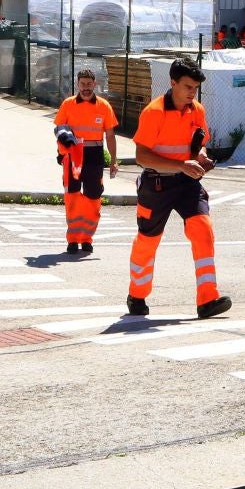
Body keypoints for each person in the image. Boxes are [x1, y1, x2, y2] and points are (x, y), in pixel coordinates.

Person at [127, 59, 231, 319]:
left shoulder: (196, 110)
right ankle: (137, 295)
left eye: (195, 88)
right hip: (156, 184)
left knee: (203, 229)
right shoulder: (154, 112)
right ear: (172, 82)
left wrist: (202, 157)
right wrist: (180, 165)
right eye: (187, 87)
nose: (191, 93)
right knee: (148, 242)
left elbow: (199, 143)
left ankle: (207, 299)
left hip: (187, 183)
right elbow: (142, 156)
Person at [53, 68, 119, 256]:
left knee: (93, 198)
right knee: (72, 196)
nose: (86, 88)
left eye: (89, 84)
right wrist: (61, 152)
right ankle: (73, 239)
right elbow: (59, 131)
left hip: (94, 155)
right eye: (82, 84)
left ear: (95, 84)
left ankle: (87, 238)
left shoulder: (104, 106)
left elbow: (111, 136)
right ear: (77, 84)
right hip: (73, 154)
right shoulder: (68, 104)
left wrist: (113, 161)